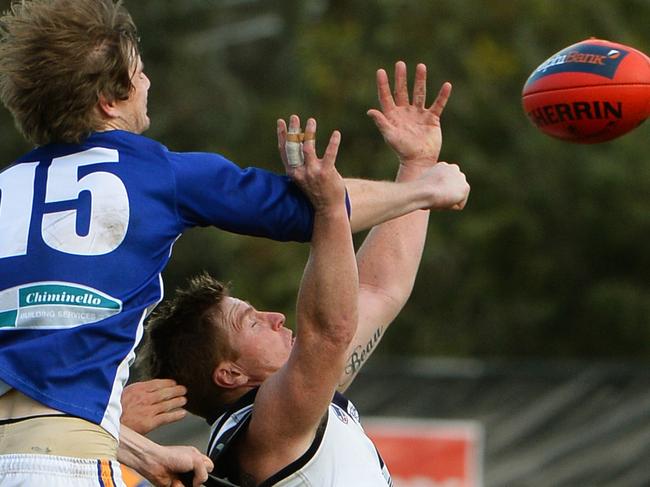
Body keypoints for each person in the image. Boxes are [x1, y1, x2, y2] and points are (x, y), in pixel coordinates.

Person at [0, 0, 464, 485]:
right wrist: (425, 188)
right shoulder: (157, 172)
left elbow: (374, 293)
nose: (148, 84)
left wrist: (133, 446)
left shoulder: (6, 187)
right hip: (72, 466)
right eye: (139, 74)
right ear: (108, 102)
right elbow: (316, 214)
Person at [131, 63, 469, 486]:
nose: (275, 318)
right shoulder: (271, 423)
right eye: (251, 322)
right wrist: (328, 211)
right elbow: (327, 333)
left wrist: (417, 163)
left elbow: (378, 288)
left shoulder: (302, 401)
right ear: (231, 374)